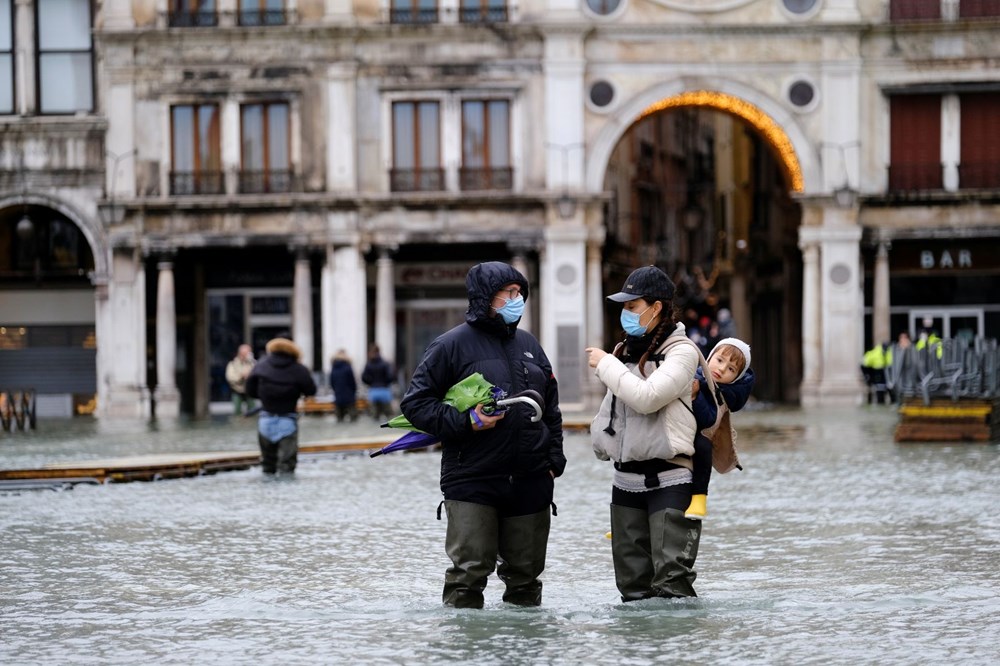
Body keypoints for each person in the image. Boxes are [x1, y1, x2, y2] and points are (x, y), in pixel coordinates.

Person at [399, 261, 565, 609]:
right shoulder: (450, 345)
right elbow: (415, 404)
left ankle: (525, 642)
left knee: (526, 577)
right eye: (509, 293)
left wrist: (553, 461)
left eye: (520, 293)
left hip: (531, 479)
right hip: (472, 477)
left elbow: (550, 406)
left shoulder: (530, 344)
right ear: (485, 297)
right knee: (468, 574)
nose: (517, 300)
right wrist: (467, 421)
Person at [585, 265, 703, 601]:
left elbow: (647, 398)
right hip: (625, 479)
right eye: (623, 306)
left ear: (657, 307)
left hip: (671, 477)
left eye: (632, 306)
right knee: (632, 588)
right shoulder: (624, 351)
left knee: (672, 584)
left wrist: (606, 364)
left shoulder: (682, 352)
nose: (625, 313)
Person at [687, 337, 755, 520]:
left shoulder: (724, 394)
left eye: (731, 369)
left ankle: (699, 497)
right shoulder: (692, 373)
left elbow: (707, 420)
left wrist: (695, 397)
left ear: (736, 377)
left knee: (703, 446)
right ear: (709, 358)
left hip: (700, 435)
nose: (722, 369)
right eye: (719, 360)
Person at [245, 338, 317, 475]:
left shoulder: (261, 365)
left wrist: (263, 396)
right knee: (287, 467)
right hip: (287, 419)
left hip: (266, 419)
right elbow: (311, 391)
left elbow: (249, 389)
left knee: (267, 465)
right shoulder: (299, 369)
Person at [362, 344, 395, 421]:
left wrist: (371, 383)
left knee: (374, 416)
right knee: (389, 416)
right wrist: (386, 383)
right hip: (384, 390)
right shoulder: (385, 363)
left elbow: (364, 377)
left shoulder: (369, 364)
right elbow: (390, 376)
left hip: (373, 391)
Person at [225, 344, 256, 415]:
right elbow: (230, 378)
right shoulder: (233, 364)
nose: (249, 354)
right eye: (247, 353)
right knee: (237, 412)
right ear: (241, 353)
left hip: (250, 391)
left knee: (253, 412)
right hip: (237, 391)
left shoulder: (253, 363)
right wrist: (241, 376)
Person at [329, 349, 358, 422]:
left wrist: (336, 390)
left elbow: (332, 382)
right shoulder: (348, 367)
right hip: (349, 395)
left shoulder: (334, 368)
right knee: (353, 419)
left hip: (338, 395)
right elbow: (352, 382)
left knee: (339, 419)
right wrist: (353, 391)